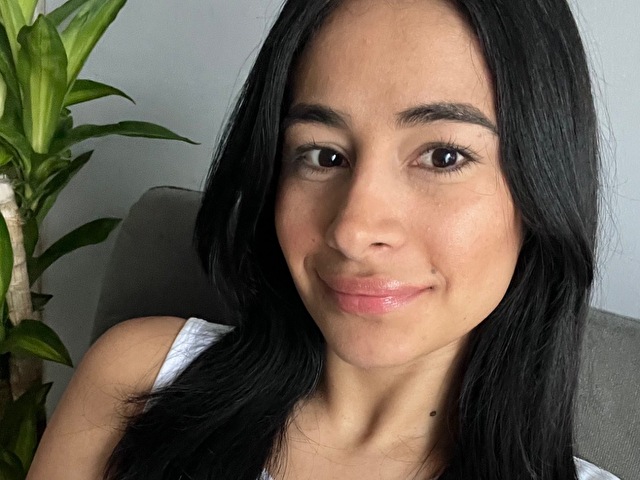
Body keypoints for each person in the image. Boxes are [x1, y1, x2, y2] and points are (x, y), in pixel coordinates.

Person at [28, 0, 619, 479]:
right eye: (323, 155)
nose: (353, 230)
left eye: (443, 156)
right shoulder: (139, 382)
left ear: (543, 189)